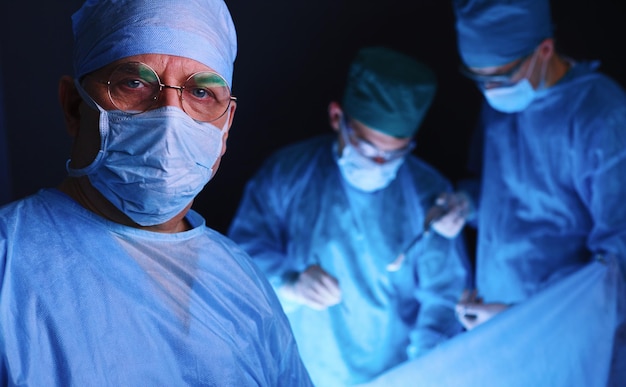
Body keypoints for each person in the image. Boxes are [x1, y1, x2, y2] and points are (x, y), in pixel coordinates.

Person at [0, 0, 314, 385]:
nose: (169, 119)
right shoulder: (8, 264)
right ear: (73, 107)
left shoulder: (241, 282)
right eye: (134, 83)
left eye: (200, 93)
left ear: (225, 126)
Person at [228, 46, 469, 386]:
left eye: (395, 153)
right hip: (302, 369)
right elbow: (241, 259)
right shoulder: (288, 173)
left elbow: (444, 295)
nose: (380, 164)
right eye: (368, 149)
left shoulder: (428, 192)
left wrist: (421, 373)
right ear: (337, 117)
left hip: (400, 372)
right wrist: (290, 282)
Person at [446, 0, 626, 336]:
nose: (489, 90)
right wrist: (465, 205)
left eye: (499, 77)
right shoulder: (501, 107)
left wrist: (525, 317)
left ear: (545, 49)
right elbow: (506, 199)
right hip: (498, 324)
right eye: (479, 78)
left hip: (569, 332)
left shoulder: (604, 117)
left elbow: (619, 264)